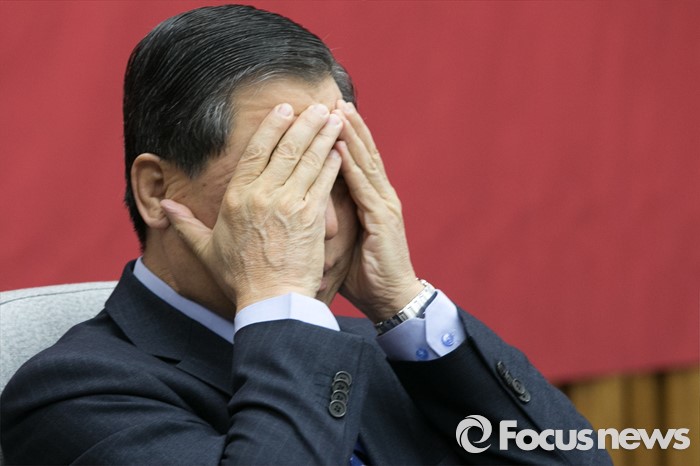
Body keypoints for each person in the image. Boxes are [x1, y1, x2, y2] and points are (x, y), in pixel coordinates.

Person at [0, 4, 611, 465]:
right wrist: (281, 302)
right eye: (283, 180)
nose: (326, 224)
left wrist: (403, 303)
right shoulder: (75, 392)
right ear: (158, 190)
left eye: (337, 180)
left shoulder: (380, 352)